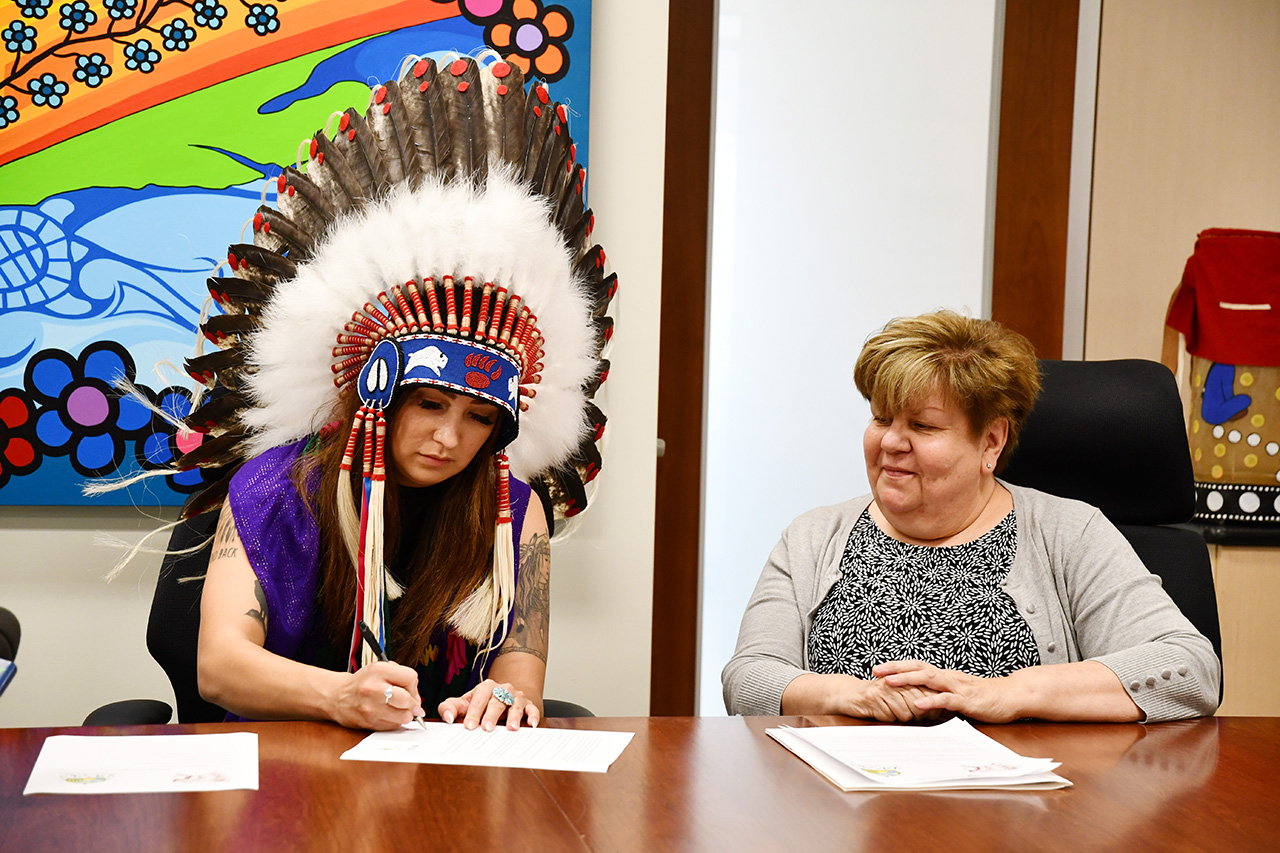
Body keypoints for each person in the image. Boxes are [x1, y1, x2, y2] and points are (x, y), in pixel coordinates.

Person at [162, 54, 613, 732]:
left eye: (479, 417)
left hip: (441, 784)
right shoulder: (274, 488)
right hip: (280, 770)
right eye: (429, 403)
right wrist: (338, 696)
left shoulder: (516, 514)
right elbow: (220, 665)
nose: (449, 437)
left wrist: (506, 698)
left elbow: (521, 671)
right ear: (377, 395)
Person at [722, 310, 1220, 723]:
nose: (891, 442)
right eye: (881, 418)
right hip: (846, 808)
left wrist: (1013, 693)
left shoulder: (1071, 533)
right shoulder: (812, 536)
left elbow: (1190, 669)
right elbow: (748, 678)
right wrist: (837, 695)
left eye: (921, 424)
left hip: (1016, 814)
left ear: (991, 441)